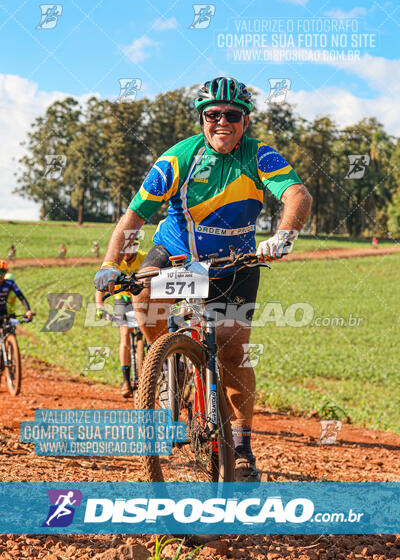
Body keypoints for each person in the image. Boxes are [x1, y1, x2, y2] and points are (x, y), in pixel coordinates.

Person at [94, 77, 312, 481]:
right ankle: (163, 368)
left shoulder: (259, 155)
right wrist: (110, 262)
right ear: (202, 119)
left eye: (232, 115)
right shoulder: (178, 158)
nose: (222, 122)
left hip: (235, 262)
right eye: (213, 115)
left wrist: (284, 236)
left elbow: (298, 195)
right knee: (143, 304)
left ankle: (243, 447)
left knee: (232, 352)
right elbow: (135, 216)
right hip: (176, 254)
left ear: (245, 121)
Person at [95, 237, 147, 398]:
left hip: (142, 299)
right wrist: (99, 306)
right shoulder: (115, 263)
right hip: (123, 299)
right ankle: (126, 381)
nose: (125, 252)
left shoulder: (144, 257)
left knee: (152, 332)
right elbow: (101, 287)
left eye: (129, 248)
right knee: (124, 335)